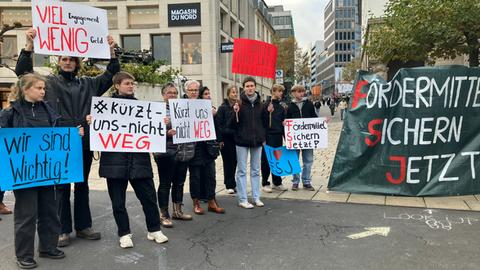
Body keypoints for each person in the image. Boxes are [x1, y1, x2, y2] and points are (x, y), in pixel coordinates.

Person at [15, 28, 121, 247]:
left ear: (77, 62)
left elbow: (111, 75)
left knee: (82, 185)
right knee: (60, 188)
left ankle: (83, 226)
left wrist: (112, 51)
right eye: (64, 59)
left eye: (71, 59)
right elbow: (24, 74)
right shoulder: (49, 83)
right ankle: (62, 230)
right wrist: (28, 46)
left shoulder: (89, 84)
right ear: (59, 62)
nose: (68, 62)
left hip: (83, 142)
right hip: (58, 144)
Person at [0, 73, 79, 269]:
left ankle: (47, 247)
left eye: (44, 88)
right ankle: (24, 255)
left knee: (49, 212)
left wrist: (75, 134)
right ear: (26, 89)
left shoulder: (49, 111)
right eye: (39, 88)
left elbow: (59, 135)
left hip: (46, 172)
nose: (43, 91)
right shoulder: (10, 113)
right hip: (24, 175)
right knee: (26, 215)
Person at [87, 72, 167, 248]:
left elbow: (151, 131)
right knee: (118, 202)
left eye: (133, 83)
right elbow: (98, 132)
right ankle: (124, 233)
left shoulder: (142, 108)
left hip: (139, 162)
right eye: (127, 83)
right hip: (114, 163)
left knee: (148, 198)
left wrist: (161, 123)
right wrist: (92, 122)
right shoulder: (104, 108)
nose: (131, 86)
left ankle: (154, 229)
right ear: (116, 85)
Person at [153, 82, 192, 228]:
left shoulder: (183, 108)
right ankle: (164, 214)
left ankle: (178, 211)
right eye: (169, 93)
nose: (173, 95)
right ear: (163, 95)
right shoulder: (156, 110)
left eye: (175, 92)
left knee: (180, 182)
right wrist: (166, 132)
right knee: (165, 184)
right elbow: (150, 131)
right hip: (165, 153)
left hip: (181, 151)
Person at [188, 86, 225, 214]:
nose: (208, 96)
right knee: (196, 177)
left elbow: (217, 126)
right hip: (194, 148)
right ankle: (196, 202)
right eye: (206, 94)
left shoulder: (211, 109)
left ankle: (211, 201)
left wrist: (214, 115)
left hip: (208, 147)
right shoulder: (187, 106)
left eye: (209, 93)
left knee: (211, 175)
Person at [231, 77, 267, 209]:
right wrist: (235, 112)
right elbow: (232, 124)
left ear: (255, 87)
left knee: (256, 170)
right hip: (241, 141)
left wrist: (263, 137)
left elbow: (264, 123)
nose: (250, 88)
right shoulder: (238, 103)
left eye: (252, 85)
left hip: (257, 141)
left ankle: (256, 197)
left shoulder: (261, 104)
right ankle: (242, 199)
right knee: (241, 170)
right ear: (243, 88)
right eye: (247, 86)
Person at [286, 85, 317, 191]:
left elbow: (314, 117)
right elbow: (287, 120)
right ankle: (295, 181)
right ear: (293, 93)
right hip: (295, 138)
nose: (301, 93)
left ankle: (306, 181)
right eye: (299, 92)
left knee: (308, 160)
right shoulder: (289, 106)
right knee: (294, 160)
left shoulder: (309, 104)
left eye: (302, 91)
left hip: (307, 138)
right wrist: (285, 122)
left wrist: (322, 122)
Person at [261, 84, 288, 193]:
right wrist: (268, 112)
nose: (281, 93)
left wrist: (286, 136)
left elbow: (283, 122)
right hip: (268, 136)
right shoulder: (265, 105)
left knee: (277, 159)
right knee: (266, 160)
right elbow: (261, 122)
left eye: (282, 91)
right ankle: (265, 182)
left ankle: (277, 182)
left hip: (278, 136)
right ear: (273, 92)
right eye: (279, 91)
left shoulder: (281, 107)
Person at [215, 85, 238, 194]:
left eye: (236, 92)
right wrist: (220, 140)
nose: (235, 94)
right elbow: (219, 125)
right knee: (228, 162)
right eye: (233, 92)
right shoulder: (223, 107)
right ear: (228, 94)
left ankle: (233, 183)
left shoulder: (239, 106)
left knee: (235, 162)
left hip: (237, 139)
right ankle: (229, 184)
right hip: (226, 139)